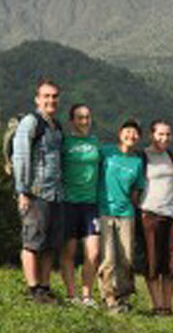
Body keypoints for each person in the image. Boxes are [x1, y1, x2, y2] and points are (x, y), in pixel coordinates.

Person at [12, 78, 64, 304]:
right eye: (46, 96)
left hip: (55, 193)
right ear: (37, 99)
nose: (50, 100)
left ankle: (44, 287)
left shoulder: (56, 125)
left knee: (49, 245)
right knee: (32, 243)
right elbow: (21, 157)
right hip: (35, 192)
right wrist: (22, 191)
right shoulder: (30, 123)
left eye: (54, 96)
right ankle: (33, 289)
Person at [97, 118, 146, 313]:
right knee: (108, 259)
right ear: (120, 133)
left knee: (127, 259)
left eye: (135, 133)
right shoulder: (106, 152)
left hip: (126, 214)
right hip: (104, 211)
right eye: (127, 131)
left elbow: (136, 190)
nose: (131, 136)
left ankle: (124, 297)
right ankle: (108, 298)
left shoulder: (137, 162)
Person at [59, 104, 102, 308]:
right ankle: (71, 295)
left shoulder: (95, 142)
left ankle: (87, 296)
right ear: (72, 121)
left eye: (87, 117)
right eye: (79, 118)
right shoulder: (65, 142)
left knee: (93, 253)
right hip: (68, 202)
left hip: (90, 204)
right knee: (69, 251)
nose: (84, 122)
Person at [140, 119, 173, 316]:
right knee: (153, 261)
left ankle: (168, 304)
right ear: (152, 135)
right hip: (151, 213)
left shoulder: (170, 156)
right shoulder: (144, 156)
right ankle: (157, 304)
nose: (164, 138)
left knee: (171, 262)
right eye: (160, 134)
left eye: (167, 134)